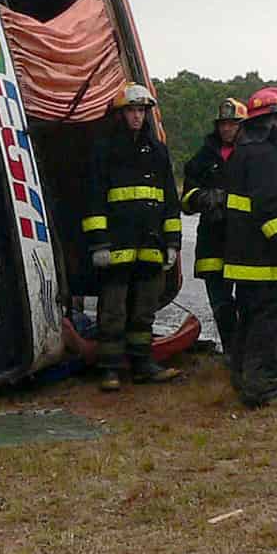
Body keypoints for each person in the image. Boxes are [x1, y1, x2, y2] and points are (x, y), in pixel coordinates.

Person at [83, 82, 182, 391]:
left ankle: (142, 363)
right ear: (119, 114)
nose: (137, 117)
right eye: (131, 111)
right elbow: (94, 197)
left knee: (144, 309)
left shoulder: (157, 150)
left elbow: (169, 200)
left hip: (150, 243)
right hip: (117, 244)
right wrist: (99, 241)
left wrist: (173, 243)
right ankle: (110, 369)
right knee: (113, 309)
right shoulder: (104, 149)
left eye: (141, 111)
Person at [222, 86, 277, 407]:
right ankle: (261, 390)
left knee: (250, 320)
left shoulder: (245, 151)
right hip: (265, 260)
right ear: (273, 121)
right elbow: (269, 207)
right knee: (267, 326)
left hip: (247, 260)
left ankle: (244, 380)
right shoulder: (266, 156)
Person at [181, 98, 248, 361]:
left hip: (244, 241)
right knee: (220, 301)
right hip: (212, 239)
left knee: (247, 302)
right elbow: (186, 200)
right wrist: (205, 198)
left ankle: (246, 350)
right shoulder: (203, 158)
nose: (226, 129)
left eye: (232, 124)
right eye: (223, 124)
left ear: (242, 126)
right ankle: (231, 351)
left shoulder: (251, 155)